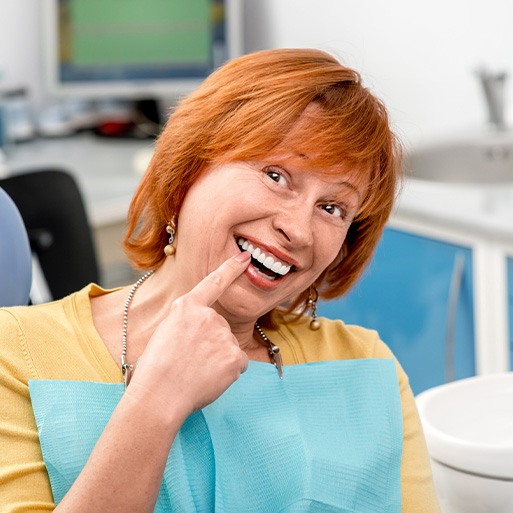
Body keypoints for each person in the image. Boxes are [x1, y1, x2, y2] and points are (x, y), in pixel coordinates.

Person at [0, 48, 440, 512]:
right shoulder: (14, 352)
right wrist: (156, 401)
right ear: (188, 173)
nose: (299, 229)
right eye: (276, 175)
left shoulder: (366, 365)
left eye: (333, 209)